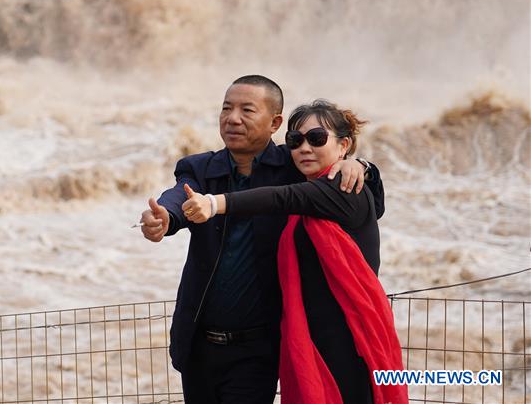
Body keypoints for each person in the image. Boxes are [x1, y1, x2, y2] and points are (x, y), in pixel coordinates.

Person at [139, 75, 383, 404]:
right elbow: (178, 198)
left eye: (247, 110)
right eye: (226, 108)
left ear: (274, 122)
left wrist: (360, 165)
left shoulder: (294, 164)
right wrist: (165, 219)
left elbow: (347, 199)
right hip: (197, 343)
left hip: (258, 347)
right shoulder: (199, 167)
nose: (232, 118)